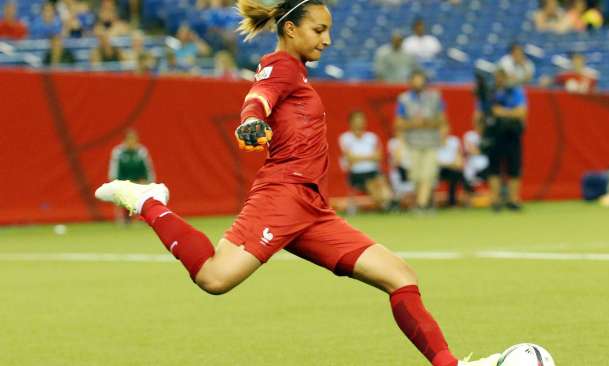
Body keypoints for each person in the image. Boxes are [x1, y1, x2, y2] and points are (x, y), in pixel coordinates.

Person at [95, 1, 500, 365]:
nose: (328, 39)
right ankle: (148, 201)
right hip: (283, 196)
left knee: (400, 275)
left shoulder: (298, 74)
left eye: (328, 30)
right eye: (319, 30)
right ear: (291, 30)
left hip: (313, 210)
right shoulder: (283, 65)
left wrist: (258, 116)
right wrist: (252, 119)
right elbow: (260, 95)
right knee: (214, 278)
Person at [395, 69, 449, 212]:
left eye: (420, 80)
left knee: (428, 175)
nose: (418, 83)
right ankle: (423, 203)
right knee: (416, 176)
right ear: (410, 82)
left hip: (431, 142)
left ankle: (421, 205)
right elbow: (399, 124)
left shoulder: (435, 97)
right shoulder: (404, 99)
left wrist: (428, 123)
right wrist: (413, 123)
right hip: (412, 143)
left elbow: (442, 120)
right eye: (415, 80)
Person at [481, 69, 527, 211]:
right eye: (498, 77)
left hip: (512, 134)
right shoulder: (489, 93)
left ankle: (513, 199)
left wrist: (502, 112)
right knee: (494, 168)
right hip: (494, 134)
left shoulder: (515, 91)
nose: (500, 79)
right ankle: (495, 200)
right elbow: (483, 113)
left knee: (514, 167)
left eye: (503, 77)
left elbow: (522, 112)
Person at [339, 111, 393, 211]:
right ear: (351, 122)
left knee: (383, 188)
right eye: (357, 120)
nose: (359, 123)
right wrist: (369, 157)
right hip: (356, 173)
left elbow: (378, 156)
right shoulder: (345, 138)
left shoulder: (372, 137)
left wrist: (358, 157)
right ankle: (384, 205)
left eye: (361, 120)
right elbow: (350, 158)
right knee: (373, 185)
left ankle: (384, 204)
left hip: (373, 171)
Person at [107, 129, 155, 224]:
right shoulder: (118, 152)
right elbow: (113, 172)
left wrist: (146, 184)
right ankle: (123, 219)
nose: (131, 142)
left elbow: (148, 171)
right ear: (125, 140)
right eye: (129, 139)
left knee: (144, 193)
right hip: (123, 182)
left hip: (138, 181)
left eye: (133, 139)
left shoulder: (142, 151)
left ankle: (142, 217)